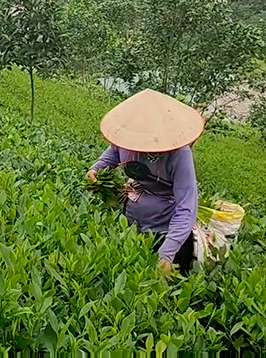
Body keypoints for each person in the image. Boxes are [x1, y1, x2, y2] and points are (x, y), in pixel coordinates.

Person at [86, 89, 203, 275]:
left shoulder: (179, 154)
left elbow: (186, 208)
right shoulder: (127, 139)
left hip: (165, 234)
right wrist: (95, 169)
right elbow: (113, 153)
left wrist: (166, 255)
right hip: (132, 226)